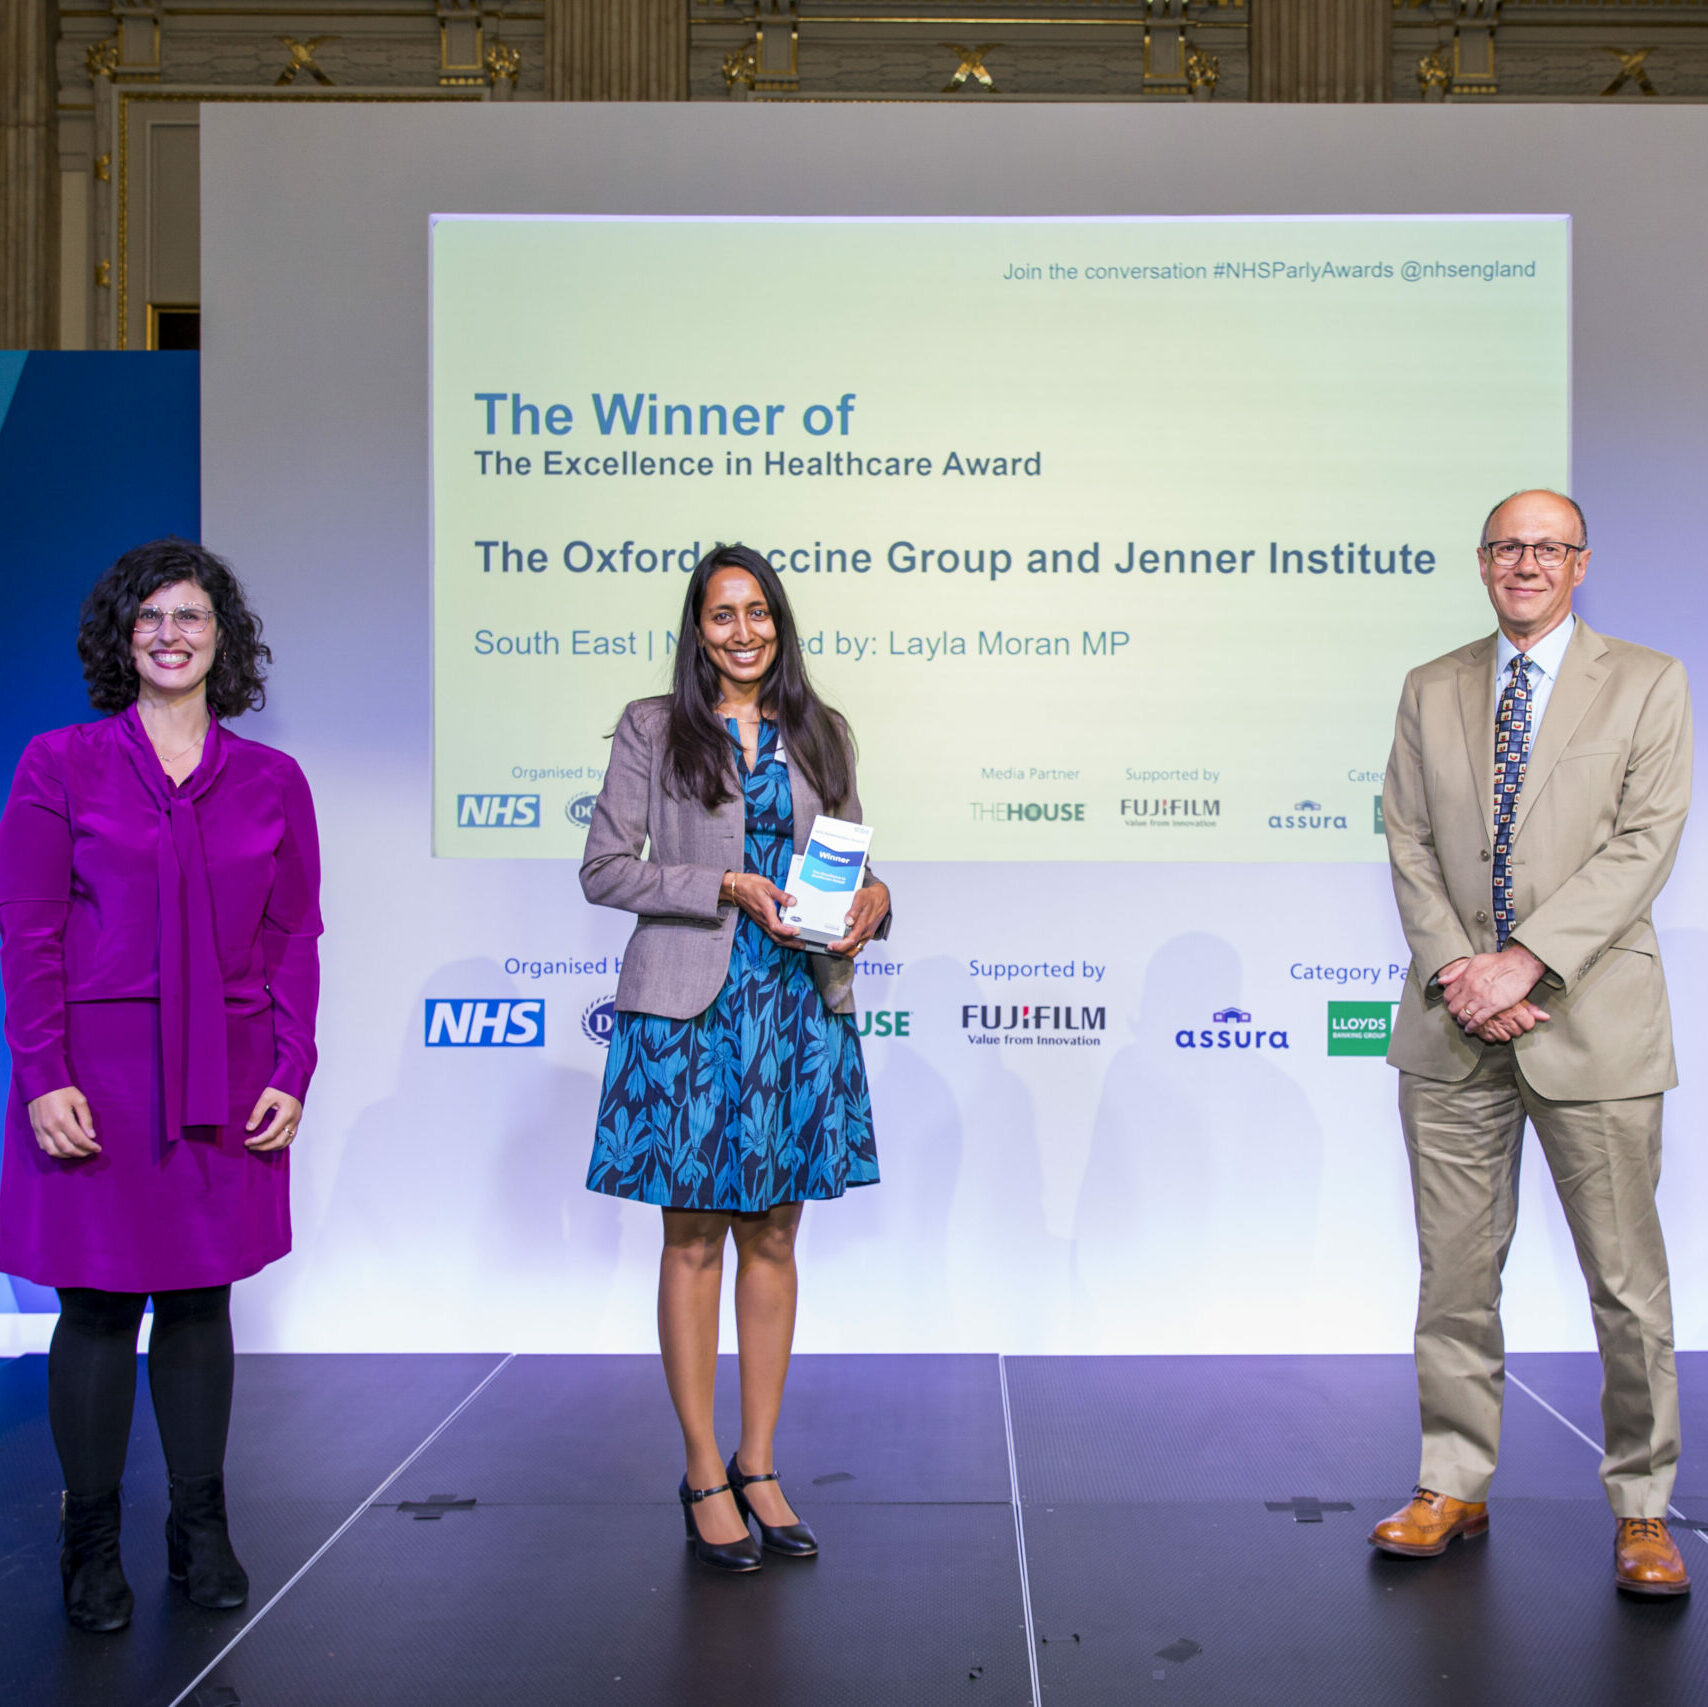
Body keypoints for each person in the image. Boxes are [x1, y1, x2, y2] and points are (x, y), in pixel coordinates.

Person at [1373, 490, 1692, 1595]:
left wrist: (1527, 960)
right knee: (1453, 1277)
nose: (1526, 564)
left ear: (1581, 564)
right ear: (1480, 563)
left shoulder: (1648, 681)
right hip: (1451, 1022)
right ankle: (1450, 1482)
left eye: (1547, 548)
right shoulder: (1431, 687)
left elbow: (1645, 844)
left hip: (1590, 1020)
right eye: (1508, 547)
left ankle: (1644, 1506)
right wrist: (1463, 969)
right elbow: (1406, 840)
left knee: (1626, 1283)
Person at [0, 539, 322, 1632]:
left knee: (197, 1300)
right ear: (121, 640)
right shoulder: (59, 763)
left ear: (222, 639)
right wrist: (42, 1074)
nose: (171, 635)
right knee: (93, 1306)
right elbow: (30, 930)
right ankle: (88, 1539)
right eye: (150, 619)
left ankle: (200, 1528)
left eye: (190, 618)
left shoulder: (274, 781)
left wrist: (292, 1064)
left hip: (226, 1079)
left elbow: (293, 938)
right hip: (93, 1075)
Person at [581, 544, 889, 1573]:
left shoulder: (821, 730)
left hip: (796, 1009)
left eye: (758, 612)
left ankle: (761, 1464)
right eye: (722, 616)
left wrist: (876, 904)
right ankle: (704, 1470)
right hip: (689, 1014)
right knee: (694, 1242)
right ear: (697, 629)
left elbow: (845, 865)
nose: (743, 632)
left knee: (774, 1238)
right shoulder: (651, 727)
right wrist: (723, 885)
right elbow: (605, 869)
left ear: (779, 622)